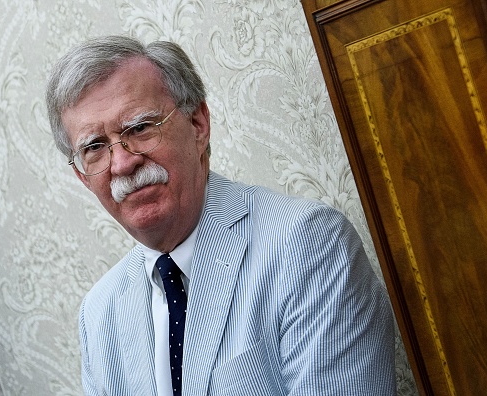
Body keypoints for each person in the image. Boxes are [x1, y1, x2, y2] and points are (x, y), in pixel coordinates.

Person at [46, 35, 396, 396]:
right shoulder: (99, 313)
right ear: (82, 176)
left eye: (140, 128)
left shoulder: (307, 244)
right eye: (94, 148)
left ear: (198, 124)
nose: (122, 163)